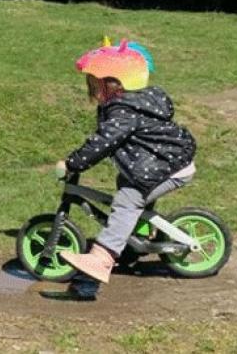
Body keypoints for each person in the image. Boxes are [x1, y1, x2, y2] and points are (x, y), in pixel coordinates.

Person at [56, 38, 197, 285]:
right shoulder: (130, 105)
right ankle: (137, 237)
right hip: (157, 164)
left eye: (93, 84)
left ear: (112, 85)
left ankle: (101, 259)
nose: (90, 90)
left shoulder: (124, 111)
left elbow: (103, 142)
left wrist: (73, 163)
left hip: (164, 167)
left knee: (128, 200)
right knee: (129, 185)